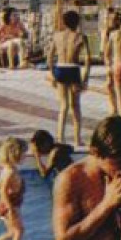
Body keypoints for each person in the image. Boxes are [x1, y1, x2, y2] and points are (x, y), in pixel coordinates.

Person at [47, 9, 90, 148]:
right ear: (77, 22)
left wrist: (52, 73)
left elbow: (50, 56)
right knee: (76, 106)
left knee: (63, 105)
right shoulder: (80, 36)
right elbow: (88, 59)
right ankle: (77, 139)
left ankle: (60, 137)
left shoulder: (57, 36)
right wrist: (85, 78)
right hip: (73, 69)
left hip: (60, 68)